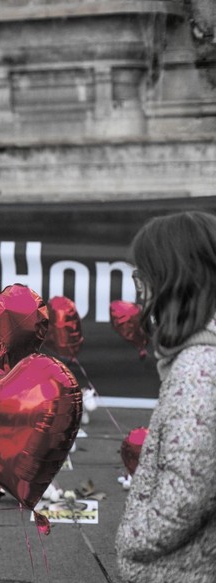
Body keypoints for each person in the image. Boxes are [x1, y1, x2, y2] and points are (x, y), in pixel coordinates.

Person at [115, 210, 216, 583]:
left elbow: (187, 492)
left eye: (143, 279)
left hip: (180, 569)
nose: (139, 294)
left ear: (172, 281)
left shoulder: (197, 370)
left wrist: (134, 537)